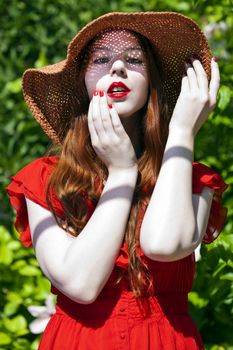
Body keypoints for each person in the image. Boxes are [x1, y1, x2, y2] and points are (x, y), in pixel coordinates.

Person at [7, 11, 228, 350]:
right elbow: (81, 283)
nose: (118, 67)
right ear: (82, 80)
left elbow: (164, 245)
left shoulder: (191, 178)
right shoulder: (45, 179)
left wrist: (182, 131)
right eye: (102, 58)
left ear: (152, 82)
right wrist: (122, 174)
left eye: (134, 59)